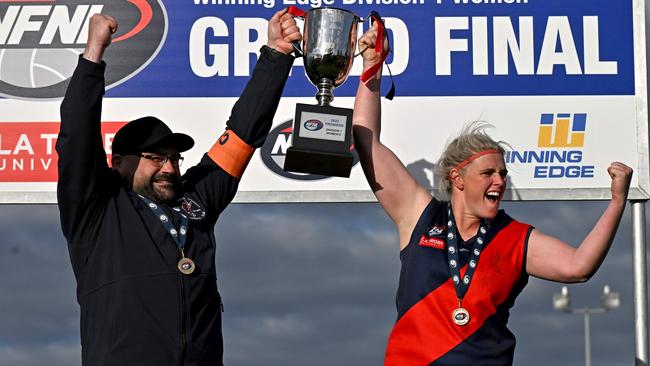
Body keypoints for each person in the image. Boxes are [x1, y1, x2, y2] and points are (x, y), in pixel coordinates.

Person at [352, 23, 633, 365]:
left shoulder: (514, 238)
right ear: (457, 177)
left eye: (502, 173)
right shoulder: (420, 216)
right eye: (487, 173)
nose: (499, 181)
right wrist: (372, 66)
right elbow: (367, 143)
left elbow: (578, 266)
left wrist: (617, 201)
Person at [56, 9, 300, 366]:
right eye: (156, 157)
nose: (169, 168)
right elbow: (76, 137)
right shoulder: (97, 211)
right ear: (119, 161)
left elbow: (243, 135)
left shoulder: (196, 200)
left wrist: (277, 56)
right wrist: (93, 56)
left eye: (174, 159)